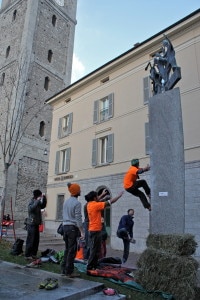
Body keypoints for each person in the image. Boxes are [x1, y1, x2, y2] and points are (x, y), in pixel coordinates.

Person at [85, 190, 124, 271]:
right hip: (95, 231)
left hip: (93, 230)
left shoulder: (89, 204)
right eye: (97, 196)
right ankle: (90, 266)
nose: (98, 197)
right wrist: (119, 196)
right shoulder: (95, 205)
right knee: (94, 250)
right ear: (94, 198)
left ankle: (94, 265)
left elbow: (98, 200)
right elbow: (110, 202)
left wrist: (102, 195)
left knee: (96, 249)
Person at [61, 182, 84, 277]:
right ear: (77, 192)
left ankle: (63, 269)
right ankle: (69, 271)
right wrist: (82, 231)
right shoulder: (77, 203)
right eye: (79, 190)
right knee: (72, 250)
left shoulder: (66, 201)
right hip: (72, 228)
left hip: (65, 227)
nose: (80, 191)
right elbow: (78, 219)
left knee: (67, 249)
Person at [25, 190, 47, 259]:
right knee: (31, 240)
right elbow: (30, 209)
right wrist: (37, 201)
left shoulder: (38, 202)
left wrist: (44, 198)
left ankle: (33, 254)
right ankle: (28, 255)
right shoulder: (32, 201)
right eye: (40, 195)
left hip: (36, 224)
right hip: (31, 224)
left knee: (36, 240)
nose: (41, 196)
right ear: (37, 196)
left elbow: (43, 206)